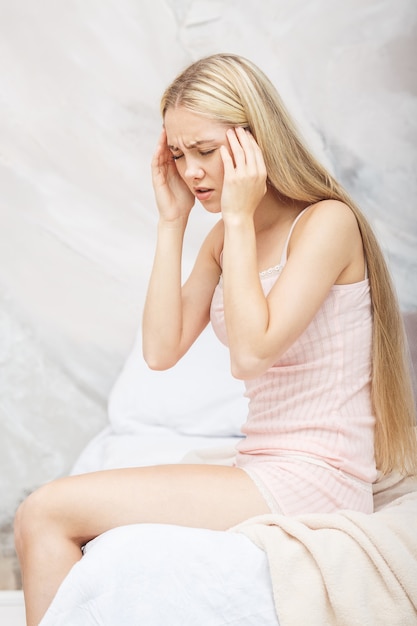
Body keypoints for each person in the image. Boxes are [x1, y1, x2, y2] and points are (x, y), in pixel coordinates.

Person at [14, 53, 416, 626]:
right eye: (178, 155)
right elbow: (161, 350)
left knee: (44, 512)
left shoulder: (327, 223)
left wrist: (237, 218)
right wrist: (171, 222)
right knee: (45, 513)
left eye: (205, 151)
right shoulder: (226, 239)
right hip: (261, 466)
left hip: (315, 479)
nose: (192, 171)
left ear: (255, 142)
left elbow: (252, 353)